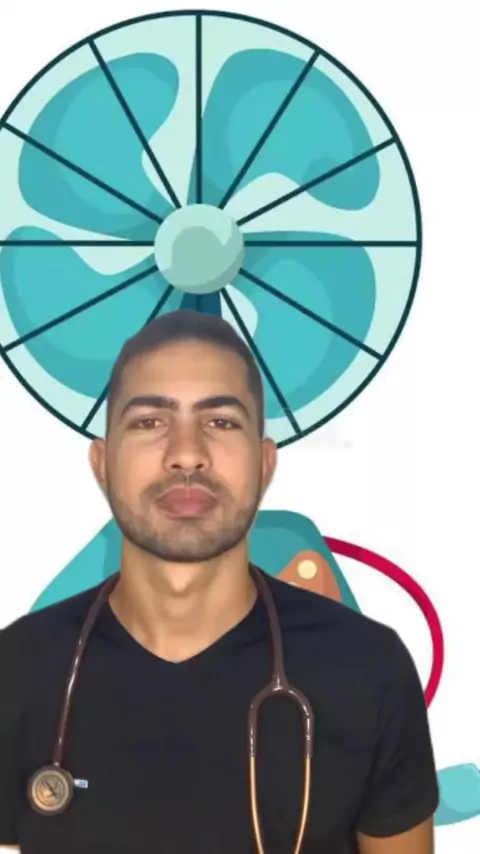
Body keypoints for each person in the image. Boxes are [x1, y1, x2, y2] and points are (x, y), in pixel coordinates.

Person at [0, 310, 438, 854]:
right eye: (149, 422)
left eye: (221, 422)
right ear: (102, 463)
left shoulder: (368, 671)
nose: (187, 453)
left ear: (264, 463)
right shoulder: (16, 668)